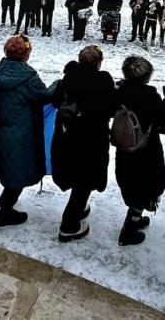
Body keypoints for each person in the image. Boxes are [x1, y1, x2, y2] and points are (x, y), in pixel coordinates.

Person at [50, 46, 116, 242]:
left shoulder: (68, 78)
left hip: (66, 137)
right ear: (98, 62)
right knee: (85, 179)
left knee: (75, 174)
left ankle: (79, 207)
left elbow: (55, 101)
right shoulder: (103, 81)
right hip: (91, 140)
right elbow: (111, 108)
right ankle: (69, 225)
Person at [0, 34, 55, 226]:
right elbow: (44, 96)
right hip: (22, 131)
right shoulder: (29, 77)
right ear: (26, 54)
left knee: (9, 167)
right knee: (18, 170)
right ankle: (5, 211)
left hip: (1, 129)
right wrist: (57, 84)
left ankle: (5, 203)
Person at [113, 56, 165, 246]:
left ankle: (136, 218)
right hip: (147, 151)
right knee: (144, 187)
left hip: (124, 148)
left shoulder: (119, 92)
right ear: (147, 77)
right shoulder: (150, 96)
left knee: (131, 184)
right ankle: (129, 230)